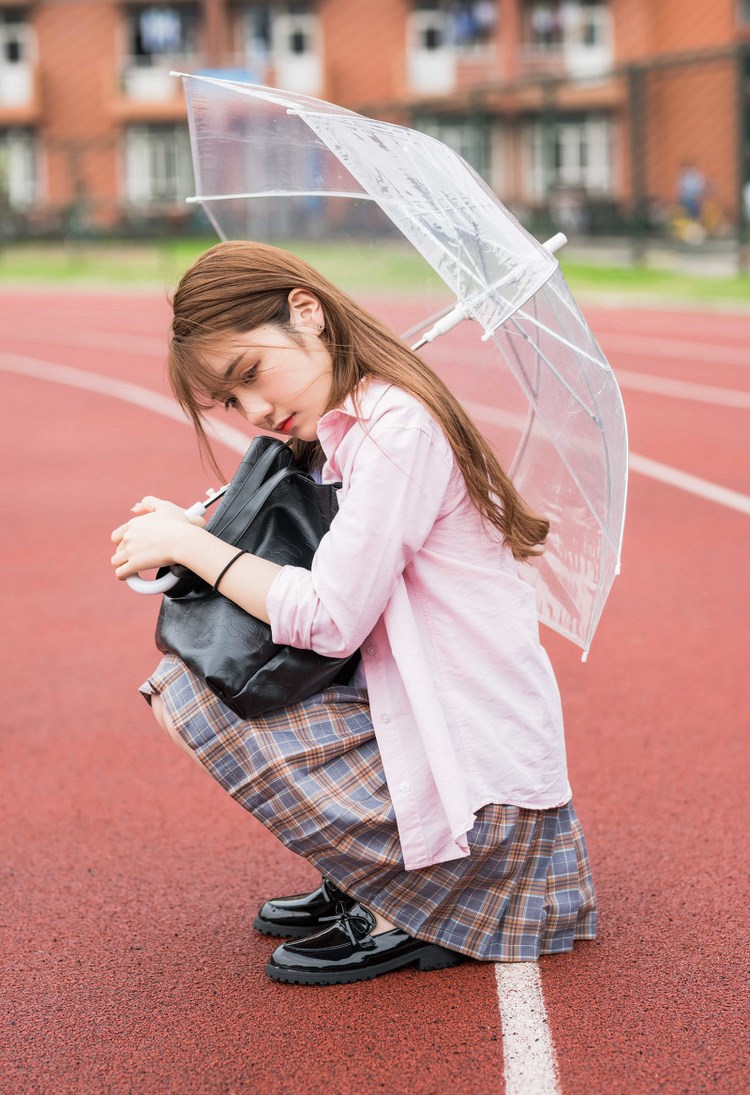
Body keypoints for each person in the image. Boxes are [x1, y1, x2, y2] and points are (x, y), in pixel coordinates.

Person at [110, 241, 596, 986]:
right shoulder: (349, 424)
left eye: (250, 375)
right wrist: (201, 530)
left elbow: (331, 616)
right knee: (211, 668)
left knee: (201, 696)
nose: (257, 412)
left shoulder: (394, 429)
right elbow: (305, 555)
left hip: (482, 800)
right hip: (433, 737)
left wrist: (195, 550)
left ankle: (412, 900)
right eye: (232, 404)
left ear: (306, 312)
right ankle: (375, 873)